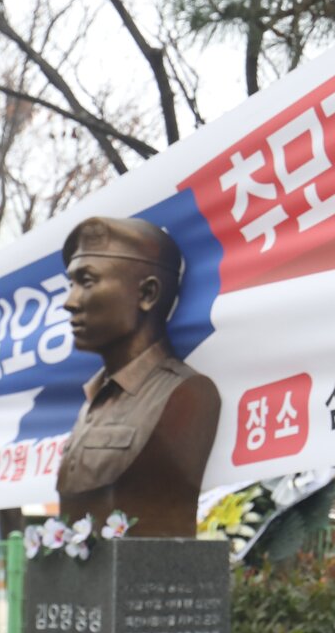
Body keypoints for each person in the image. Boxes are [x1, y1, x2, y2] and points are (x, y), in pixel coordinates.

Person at [55, 215, 221, 538]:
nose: (70, 302)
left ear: (147, 294)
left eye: (87, 282)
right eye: (71, 284)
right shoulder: (92, 403)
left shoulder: (184, 394)